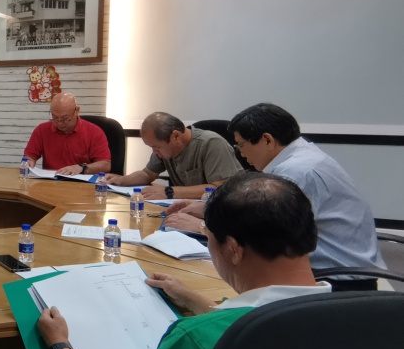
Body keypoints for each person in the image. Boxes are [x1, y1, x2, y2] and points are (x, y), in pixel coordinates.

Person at [27, 172, 331, 349]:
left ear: (234, 249)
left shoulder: (197, 338)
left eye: (209, 238)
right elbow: (253, 318)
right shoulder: (347, 315)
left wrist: (60, 346)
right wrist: (193, 299)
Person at [163, 103, 386, 292]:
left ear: (267, 140)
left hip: (337, 281)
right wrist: (205, 208)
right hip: (344, 269)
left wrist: (202, 227)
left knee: (218, 279)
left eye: (241, 145)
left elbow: (261, 236)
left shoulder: (295, 172)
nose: (241, 154)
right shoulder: (303, 156)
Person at [106, 112, 242, 200]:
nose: (154, 152)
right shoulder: (165, 149)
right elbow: (147, 173)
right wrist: (121, 180)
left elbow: (220, 187)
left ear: (176, 136)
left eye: (156, 147)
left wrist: (169, 192)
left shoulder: (211, 143)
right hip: (183, 207)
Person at [23, 94, 111, 175]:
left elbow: (105, 165)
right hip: (51, 182)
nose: (59, 122)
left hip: (81, 183)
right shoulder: (42, 130)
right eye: (55, 117)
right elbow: (30, 156)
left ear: (77, 111)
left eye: (65, 118)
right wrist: (29, 162)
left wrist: (82, 168)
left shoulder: (94, 132)